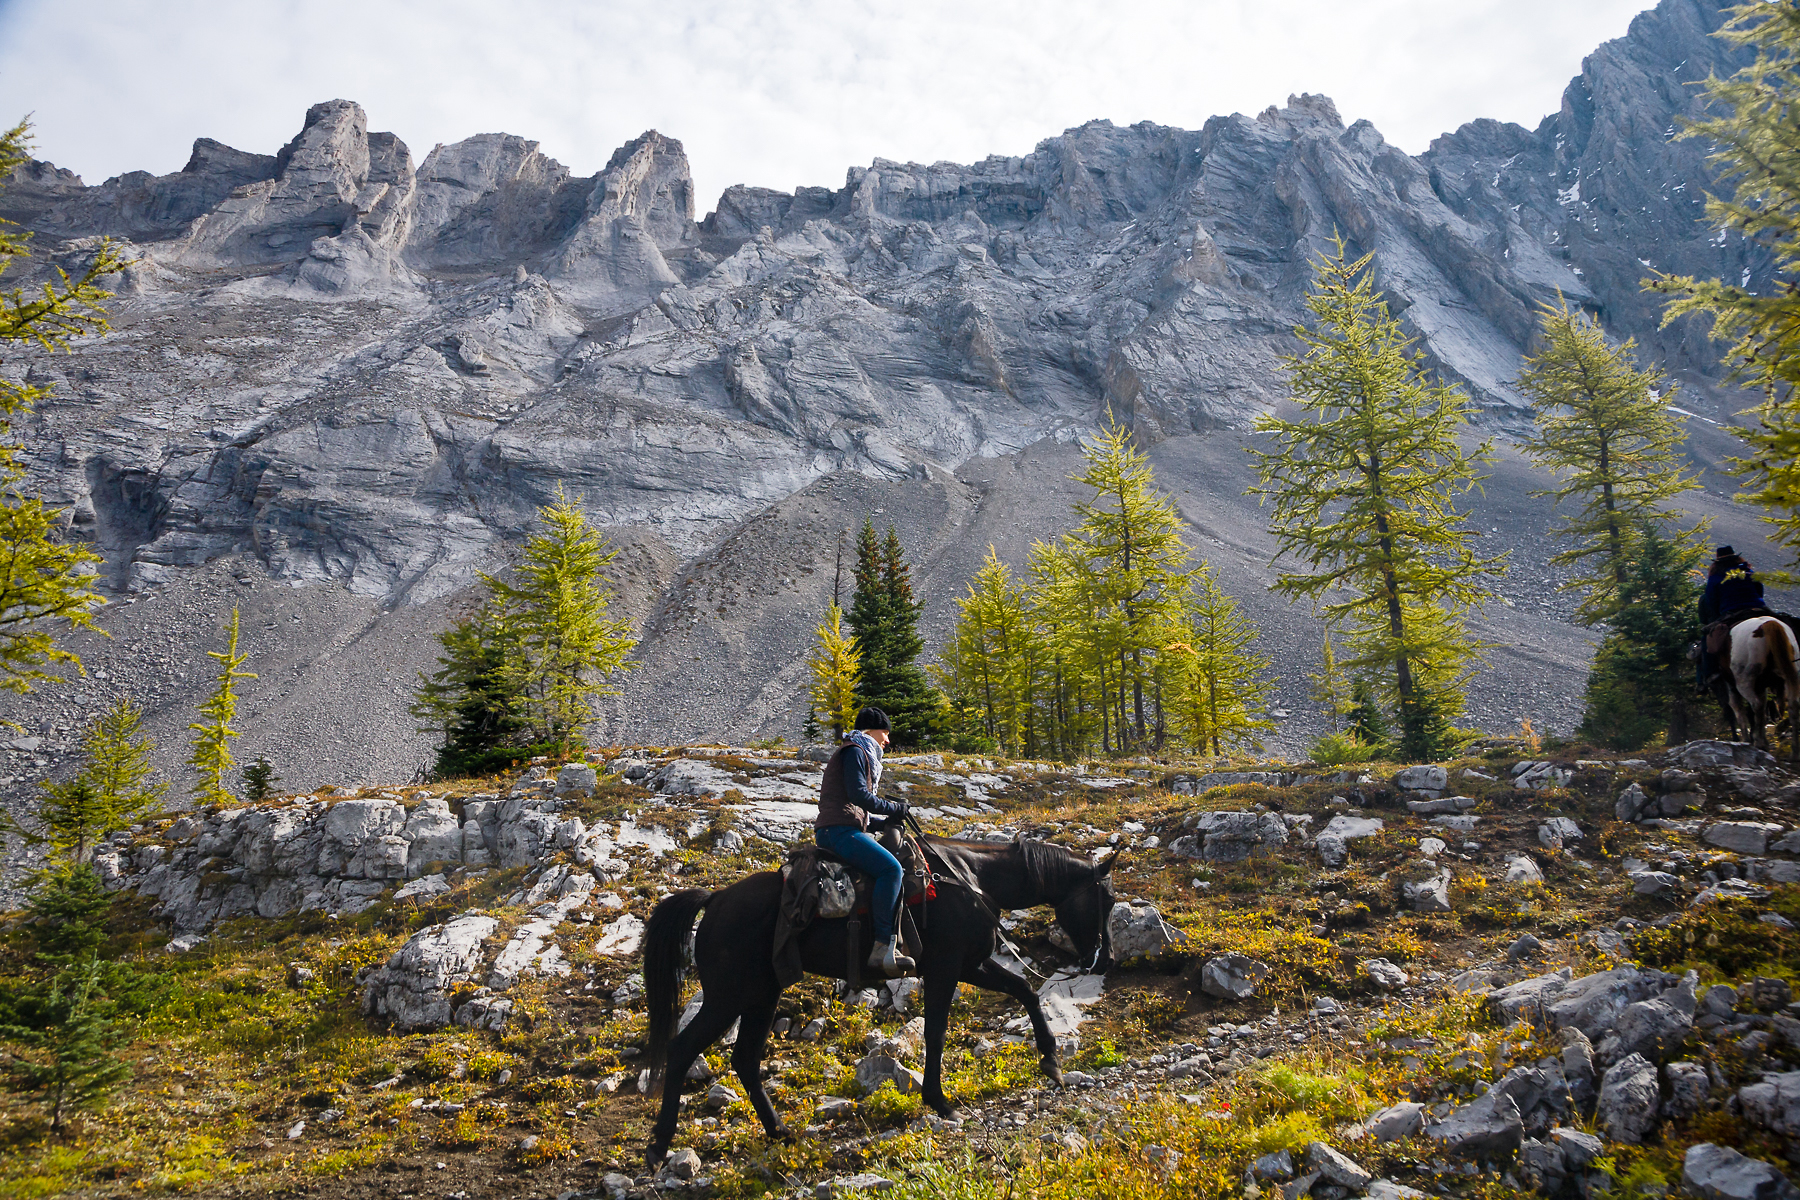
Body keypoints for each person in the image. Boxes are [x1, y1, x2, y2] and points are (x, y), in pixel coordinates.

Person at [814, 706, 914, 978]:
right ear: (871, 729)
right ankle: (883, 945)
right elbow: (859, 795)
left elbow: (857, 810)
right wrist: (894, 808)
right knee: (891, 869)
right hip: (838, 833)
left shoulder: (857, 751)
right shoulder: (856, 752)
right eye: (885, 732)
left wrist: (885, 822)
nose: (888, 740)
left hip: (842, 828)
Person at [1701, 545, 1766, 625]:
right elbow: (1760, 590)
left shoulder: (1715, 577)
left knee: (1708, 635)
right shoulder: (1748, 571)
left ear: (1718, 562)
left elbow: (1711, 600)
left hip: (1731, 610)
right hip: (1757, 607)